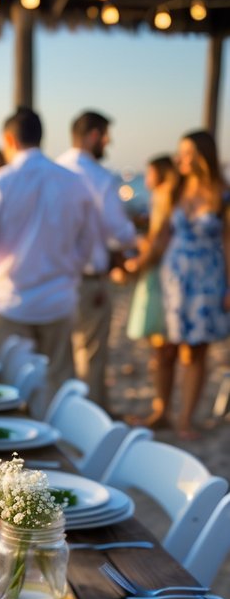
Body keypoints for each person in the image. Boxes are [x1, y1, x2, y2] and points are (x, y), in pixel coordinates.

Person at [0, 107, 96, 400]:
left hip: (8, 305)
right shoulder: (75, 182)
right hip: (58, 303)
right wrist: (67, 275)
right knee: (58, 396)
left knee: (7, 397)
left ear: (9, 139)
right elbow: (87, 246)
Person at [125, 130, 230, 439]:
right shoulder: (174, 190)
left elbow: (228, 241)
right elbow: (159, 236)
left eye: (186, 153)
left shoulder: (222, 194)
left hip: (207, 278)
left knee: (196, 351)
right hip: (171, 279)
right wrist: (138, 266)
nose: (179, 159)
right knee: (164, 348)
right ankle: (161, 411)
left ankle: (185, 418)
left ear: (201, 155)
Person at [56, 111, 137, 410]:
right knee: (90, 355)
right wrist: (135, 238)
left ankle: (64, 416)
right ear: (92, 135)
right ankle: (91, 422)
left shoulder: (55, 170)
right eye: (105, 135)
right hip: (88, 280)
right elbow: (119, 232)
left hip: (55, 279)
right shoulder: (99, 177)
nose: (108, 142)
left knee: (61, 357)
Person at [124, 155, 178, 344]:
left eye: (150, 173)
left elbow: (161, 238)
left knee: (159, 333)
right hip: (167, 265)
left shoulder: (163, 195)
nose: (146, 178)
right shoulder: (168, 194)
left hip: (161, 267)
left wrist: (138, 261)